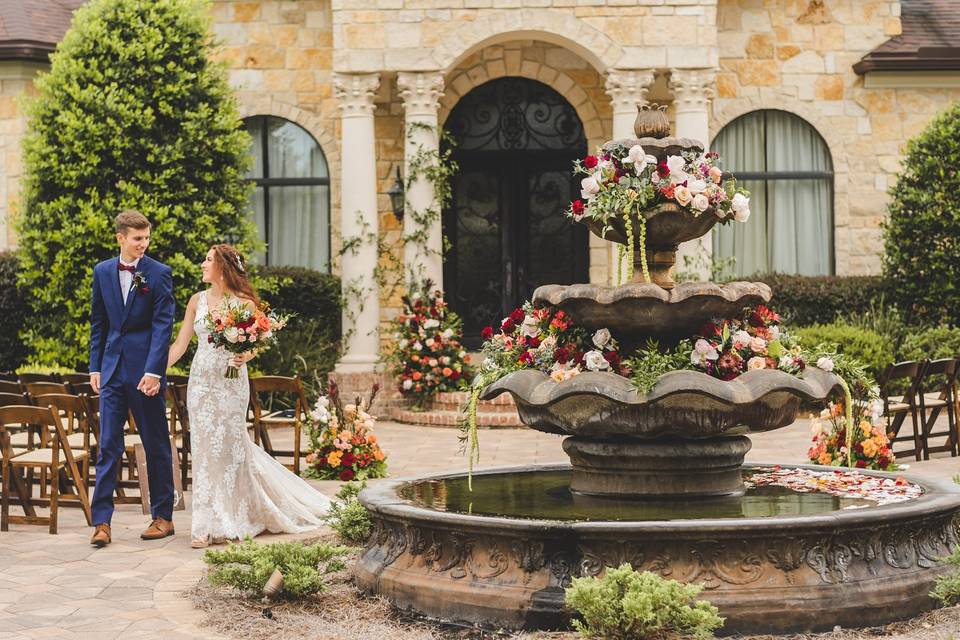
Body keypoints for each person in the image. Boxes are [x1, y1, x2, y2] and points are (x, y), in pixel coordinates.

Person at [167, 244, 330, 548]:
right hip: (201, 383)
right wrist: (152, 370)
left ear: (223, 268)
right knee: (203, 450)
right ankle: (203, 525)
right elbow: (179, 346)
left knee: (231, 449)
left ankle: (234, 517)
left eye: (208, 260)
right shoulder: (196, 301)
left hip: (230, 384)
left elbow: (253, 344)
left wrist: (246, 356)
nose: (202, 264)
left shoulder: (244, 304)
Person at [89, 210, 176, 547]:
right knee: (108, 444)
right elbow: (99, 322)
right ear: (121, 238)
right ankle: (101, 522)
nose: (144, 244)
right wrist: (95, 366)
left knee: (155, 443)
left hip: (145, 375)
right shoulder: (102, 272)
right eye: (137, 238)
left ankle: (163, 516)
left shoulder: (159, 273)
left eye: (147, 238)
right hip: (111, 371)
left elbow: (162, 325)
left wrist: (154, 371)